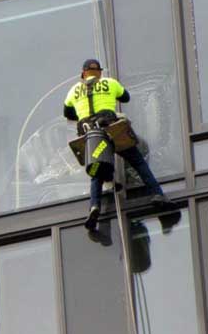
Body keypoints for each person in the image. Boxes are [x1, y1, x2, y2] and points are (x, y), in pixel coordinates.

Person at [64, 59, 172, 230]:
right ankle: (157, 194)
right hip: (111, 132)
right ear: (99, 72)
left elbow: (68, 113)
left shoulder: (73, 91)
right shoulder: (110, 83)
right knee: (137, 161)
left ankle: (94, 206)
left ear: (83, 73)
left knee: (96, 171)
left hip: (92, 137)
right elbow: (125, 97)